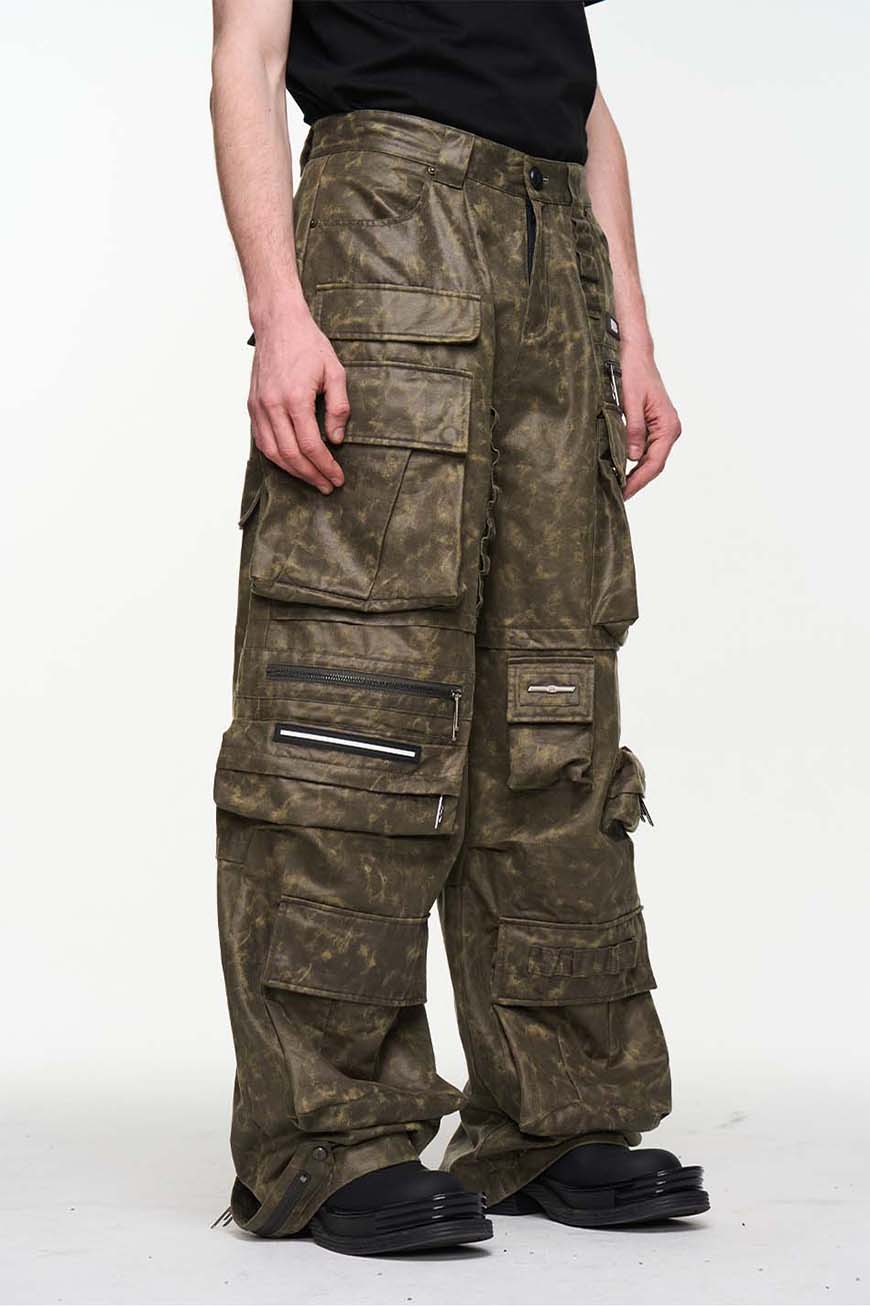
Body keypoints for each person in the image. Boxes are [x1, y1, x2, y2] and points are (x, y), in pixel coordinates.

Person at [210, 0, 709, 1256]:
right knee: (356, 688)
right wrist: (280, 312)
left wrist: (629, 327)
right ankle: (329, 1134)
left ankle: (557, 1112)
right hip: (386, 223)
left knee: (555, 694)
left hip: (556, 247)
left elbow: (579, 95)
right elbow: (247, 58)